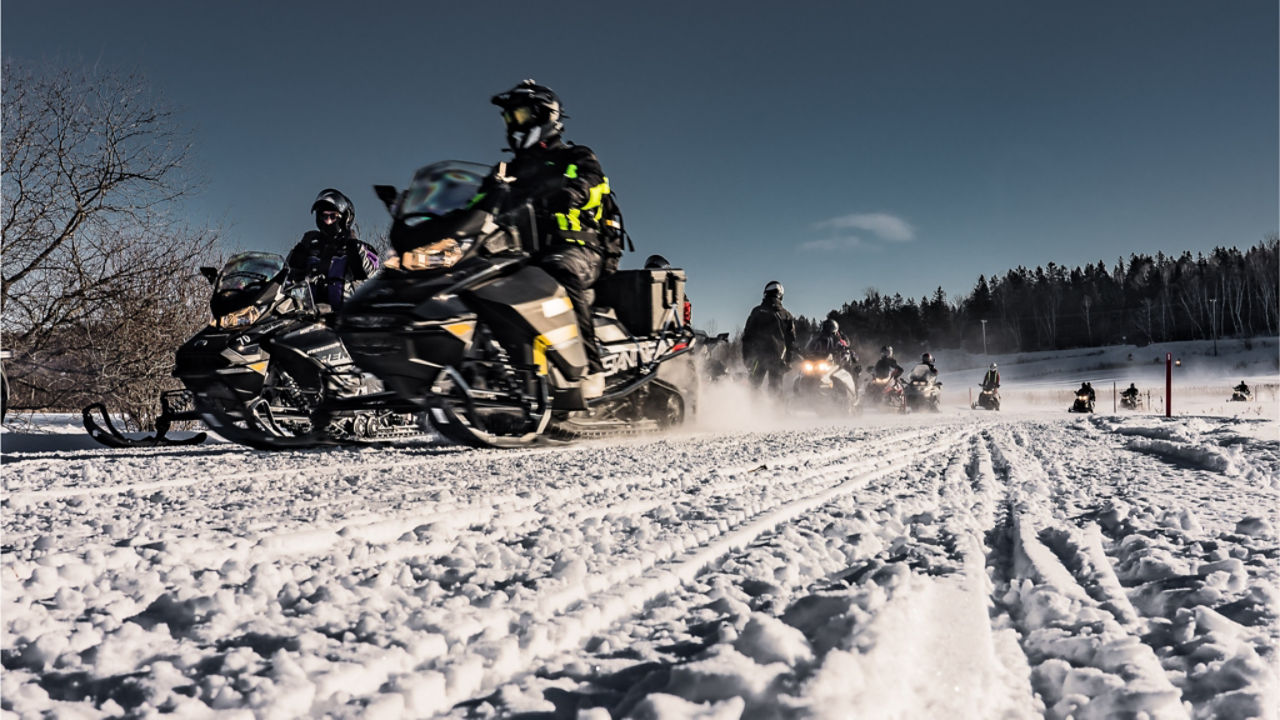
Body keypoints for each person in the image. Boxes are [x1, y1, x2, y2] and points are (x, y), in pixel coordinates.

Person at [487, 80, 614, 383]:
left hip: (578, 248)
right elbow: (479, 200)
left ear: (543, 116)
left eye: (517, 116)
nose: (512, 125)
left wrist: (572, 193)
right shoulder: (508, 169)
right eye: (508, 118)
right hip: (524, 254)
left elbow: (594, 184)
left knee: (560, 270)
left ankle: (589, 369)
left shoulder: (576, 156)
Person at [286, 189, 379, 314]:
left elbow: (367, 272)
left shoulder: (359, 248)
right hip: (307, 317)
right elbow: (287, 276)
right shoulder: (309, 247)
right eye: (324, 216)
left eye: (333, 216)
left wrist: (353, 245)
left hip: (342, 320)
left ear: (345, 218)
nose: (328, 221)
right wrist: (300, 248)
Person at [741, 281, 797, 394]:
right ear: (780, 295)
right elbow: (791, 341)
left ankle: (750, 409)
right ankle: (776, 410)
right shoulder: (786, 315)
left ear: (766, 293)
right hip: (778, 358)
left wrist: (746, 358)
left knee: (753, 386)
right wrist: (789, 361)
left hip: (758, 357)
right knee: (776, 390)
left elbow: (747, 336)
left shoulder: (757, 311)